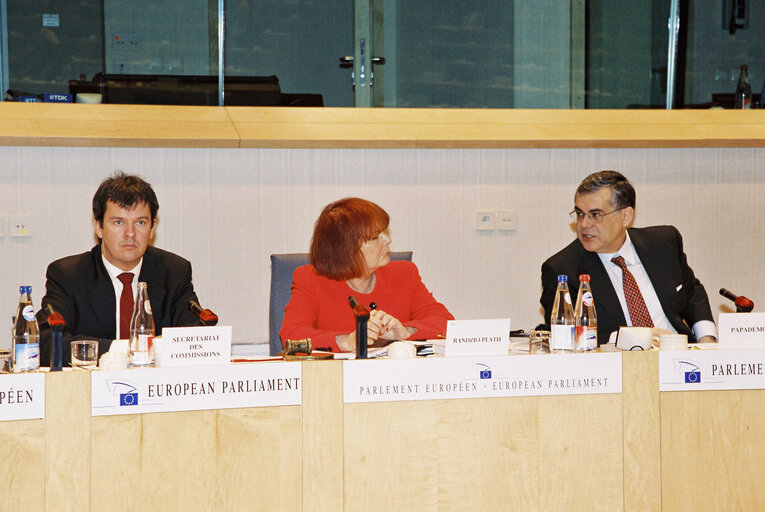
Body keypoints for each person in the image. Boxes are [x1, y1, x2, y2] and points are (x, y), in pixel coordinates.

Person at [37, 173, 204, 366]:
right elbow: (48, 342)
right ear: (98, 227)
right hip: (91, 391)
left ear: (152, 228)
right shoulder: (68, 275)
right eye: (119, 222)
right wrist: (126, 350)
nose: (130, 233)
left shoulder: (174, 272)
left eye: (140, 222)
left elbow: (194, 339)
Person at [540, 170, 716, 346]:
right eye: (580, 214)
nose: (584, 224)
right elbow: (565, 336)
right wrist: (636, 336)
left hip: (678, 356)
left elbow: (691, 291)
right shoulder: (561, 270)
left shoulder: (664, 243)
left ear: (626, 216)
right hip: (617, 365)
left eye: (595, 215)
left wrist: (706, 338)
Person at [280, 197, 454, 352]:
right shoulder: (310, 280)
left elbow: (445, 323)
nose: (388, 240)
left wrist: (405, 331)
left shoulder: (404, 274)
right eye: (375, 237)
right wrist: (347, 341)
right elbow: (292, 336)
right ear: (346, 249)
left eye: (385, 232)